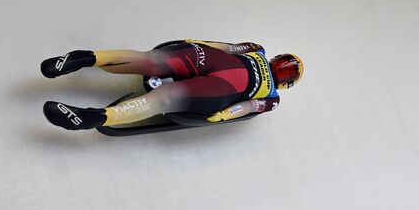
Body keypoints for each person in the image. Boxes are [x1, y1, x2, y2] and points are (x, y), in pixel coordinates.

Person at [40, 39, 303, 131]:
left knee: (167, 92)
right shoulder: (257, 49)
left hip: (220, 80)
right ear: (276, 58)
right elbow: (229, 48)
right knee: (156, 62)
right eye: (282, 65)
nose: (279, 70)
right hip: (216, 68)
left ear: (285, 82)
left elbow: (247, 106)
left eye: (284, 72)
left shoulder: (272, 98)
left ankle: (95, 114)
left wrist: (223, 114)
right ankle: (86, 60)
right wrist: (222, 116)